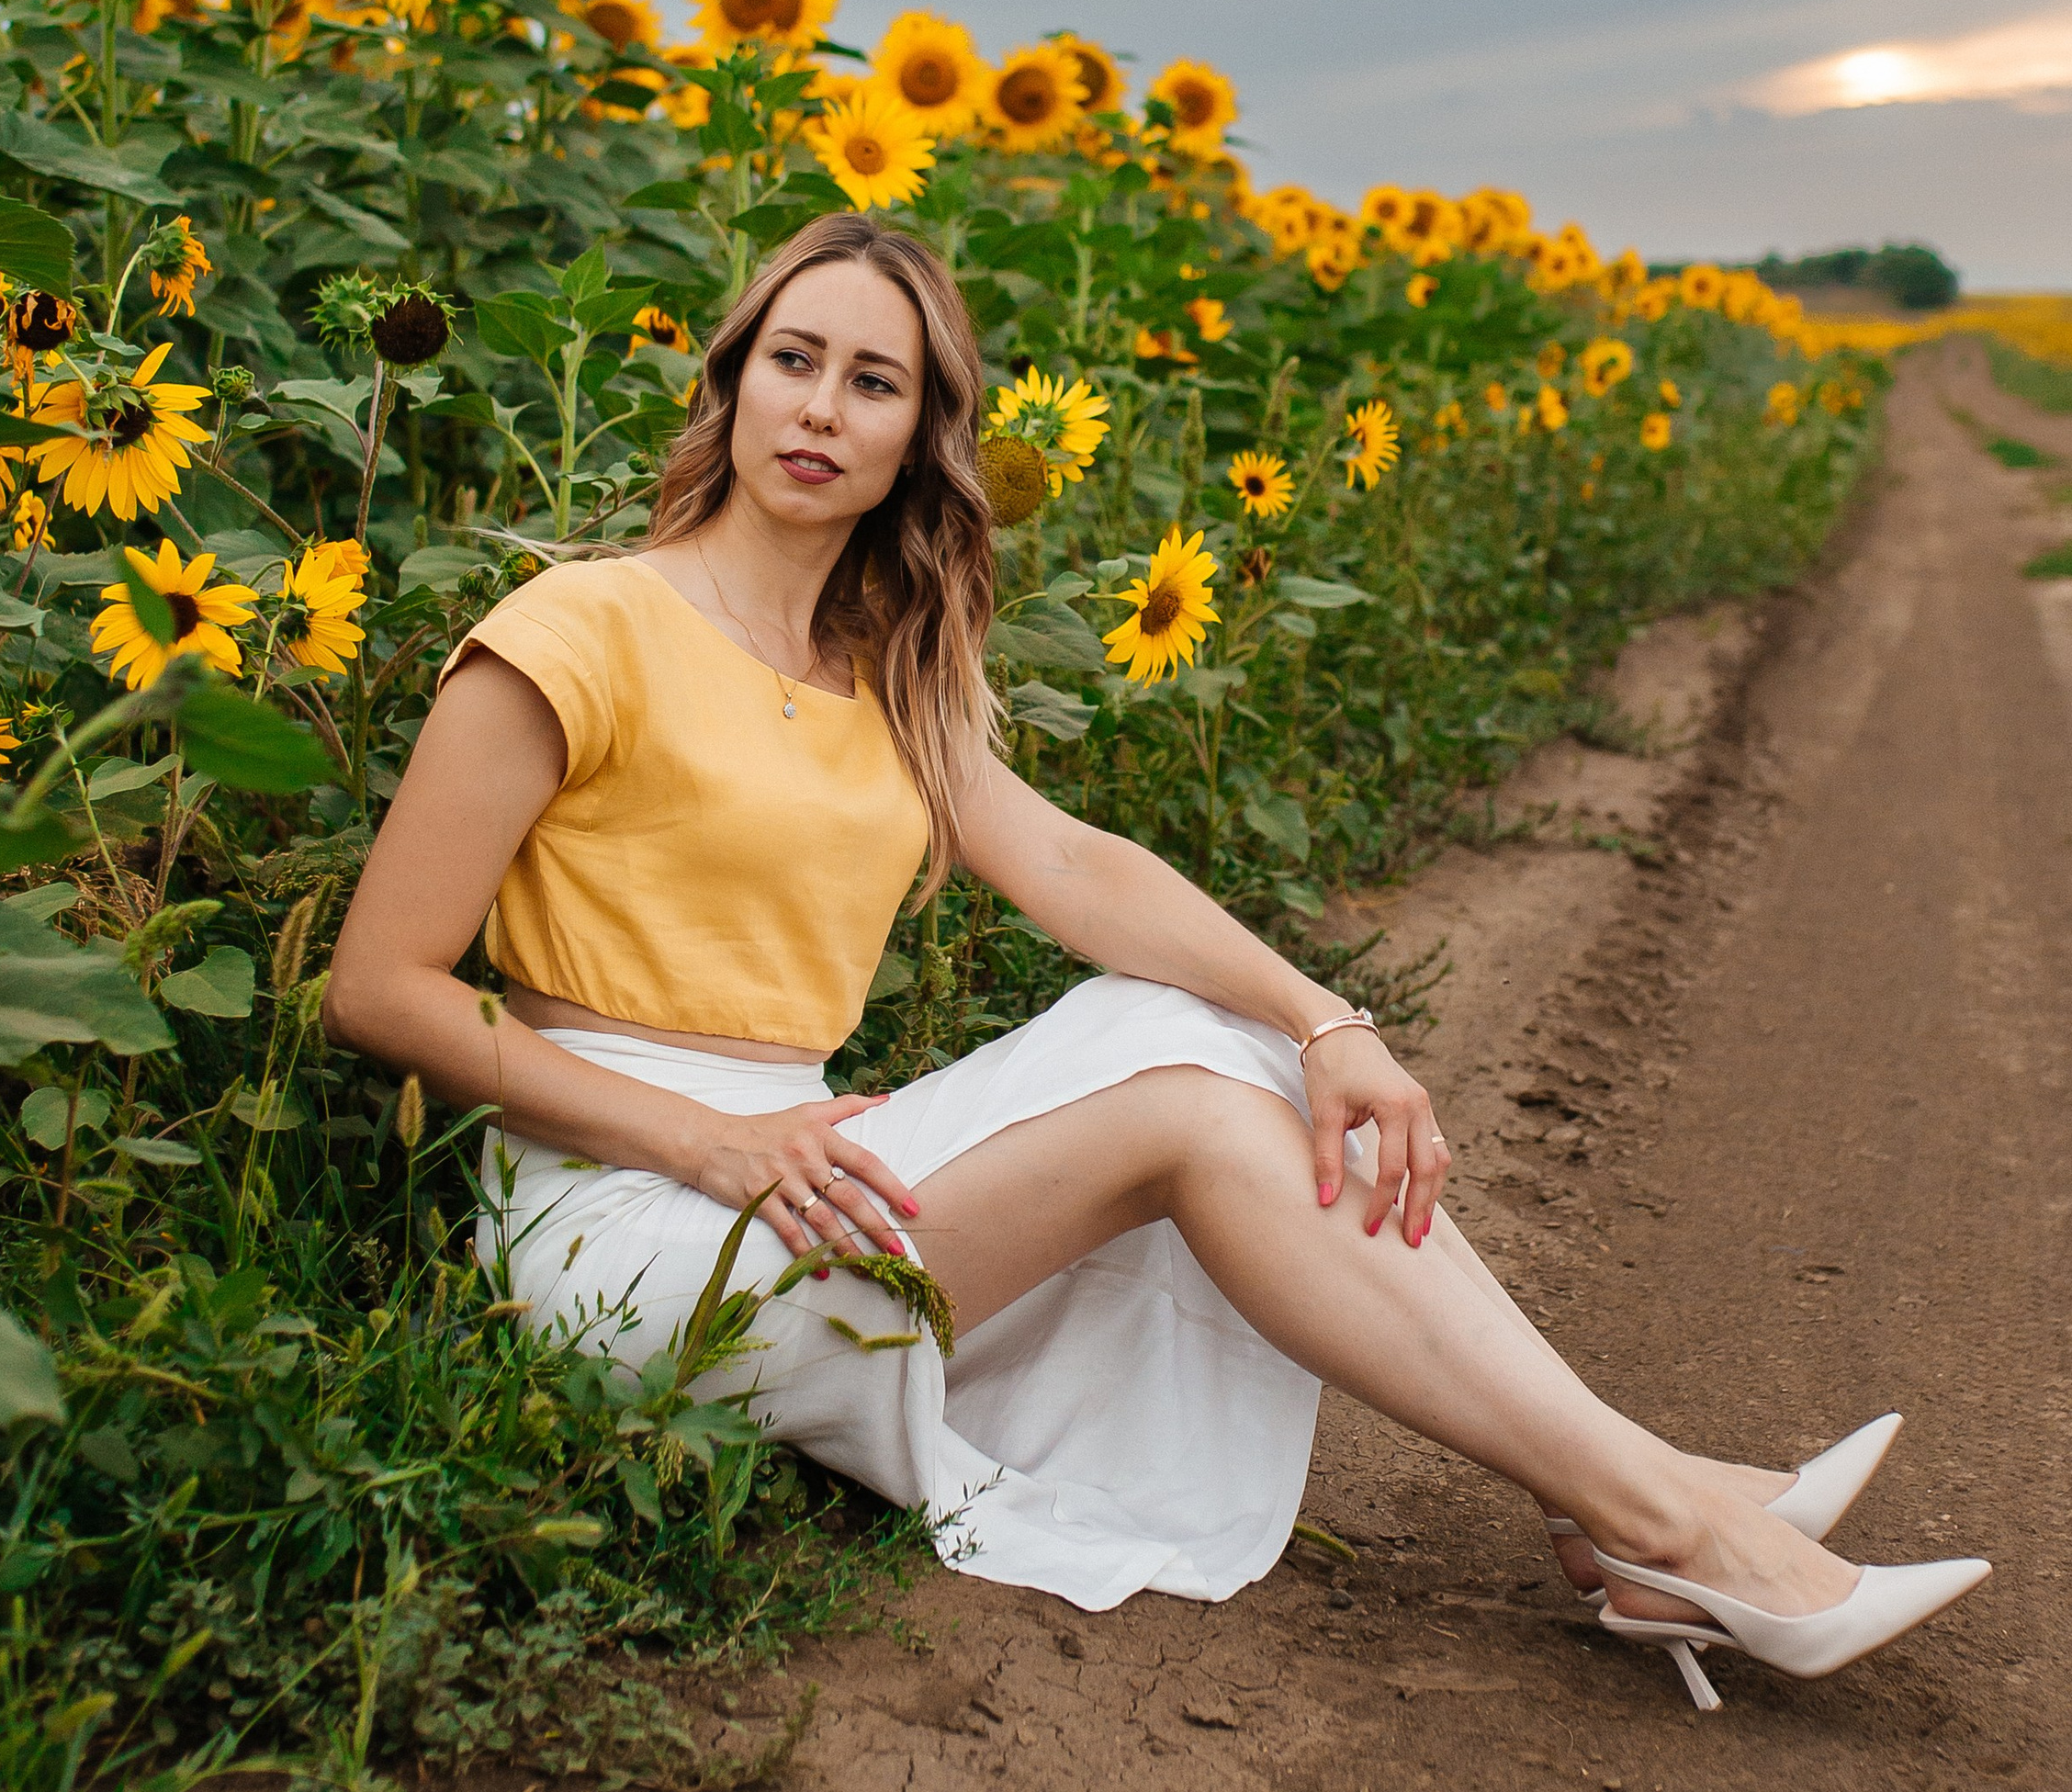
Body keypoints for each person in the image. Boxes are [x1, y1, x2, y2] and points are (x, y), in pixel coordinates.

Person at [323, 214, 1986, 1700]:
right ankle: (1662, 1516)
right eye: (797, 362)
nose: (824, 409)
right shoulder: (579, 630)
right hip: (624, 1226)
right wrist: (711, 1133)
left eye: (875, 384)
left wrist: (1331, 1020)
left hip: (802, 1163)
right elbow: (378, 988)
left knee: (1206, 1032)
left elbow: (1072, 867)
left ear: (923, 440)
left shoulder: (885, 672)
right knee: (1188, 1111)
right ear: (734, 384)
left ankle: (1627, 1495)